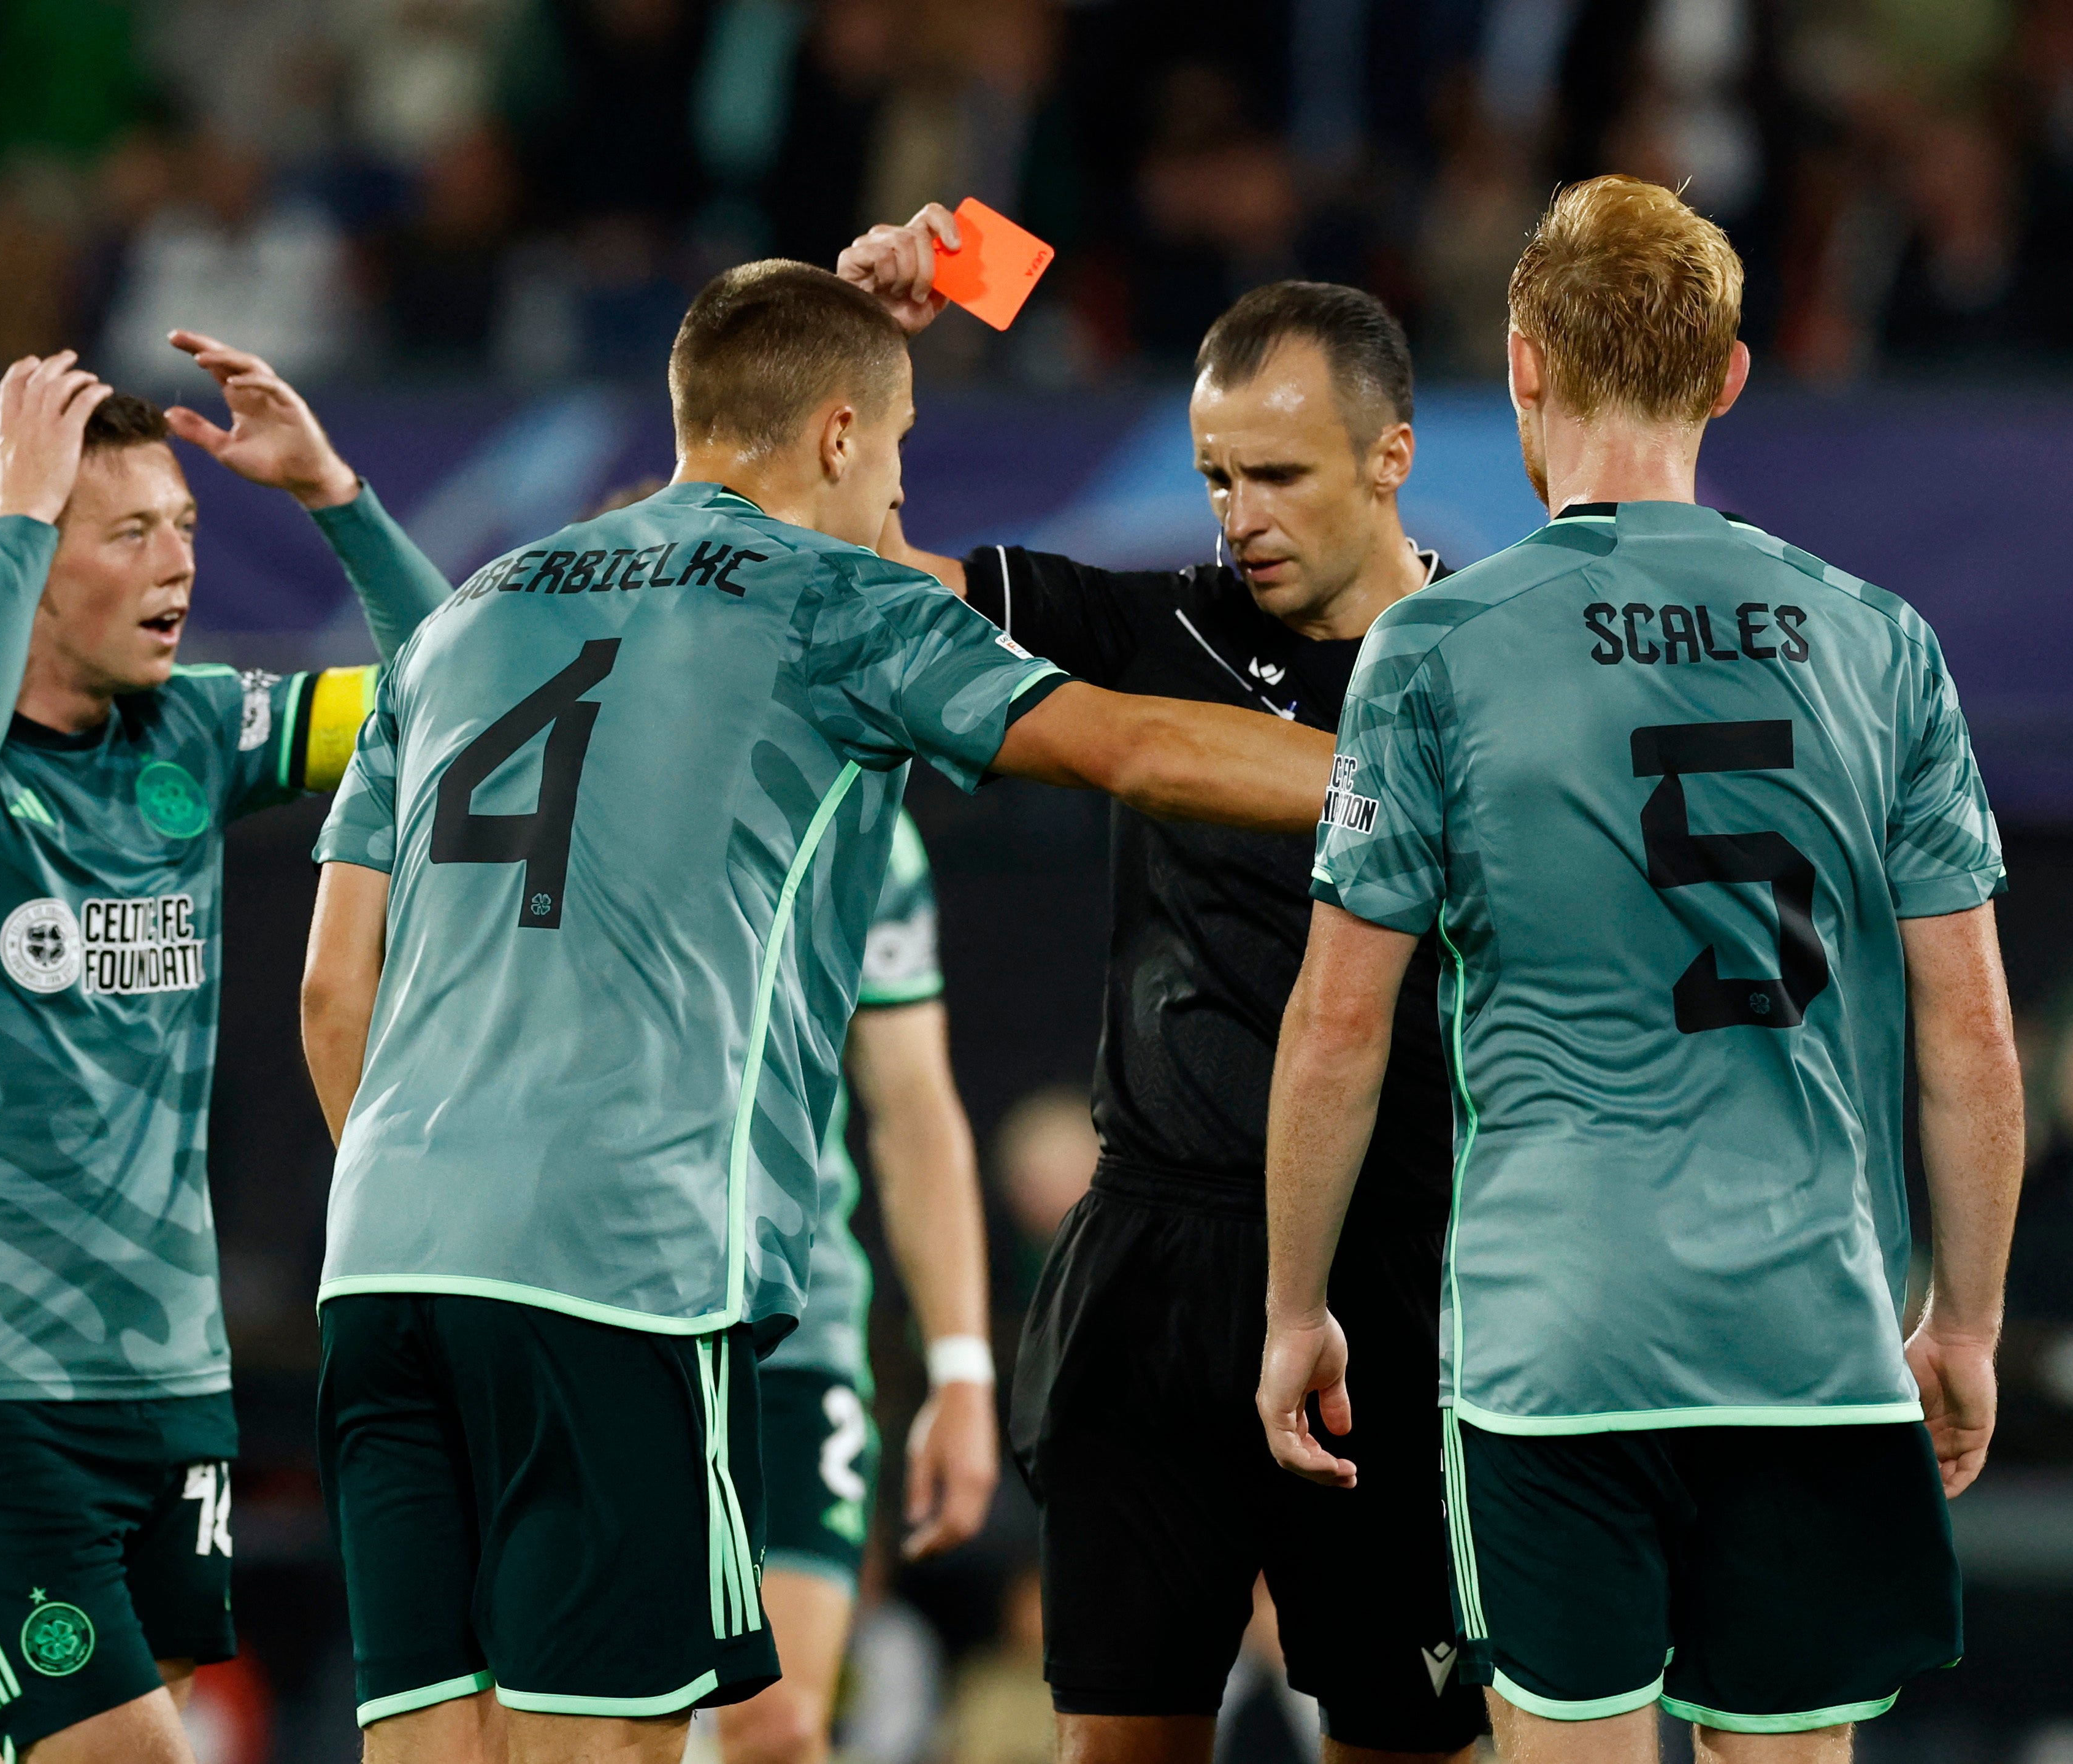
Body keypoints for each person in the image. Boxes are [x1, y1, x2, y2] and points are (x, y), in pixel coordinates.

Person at [297, 259, 1335, 1764]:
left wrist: (426, 1215)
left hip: (382, 1267)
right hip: (616, 1267)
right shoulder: (829, 599)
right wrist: (1399, 780)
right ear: (841, 438)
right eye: (900, 452)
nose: (901, 501)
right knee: (618, 1747)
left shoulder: (463, 616)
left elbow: (337, 987)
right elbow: (1131, 747)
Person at [1257, 175, 2022, 1763]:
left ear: (1521, 361)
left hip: (1559, 1334)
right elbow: (1969, 1033)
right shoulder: (1877, 639)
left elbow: (1337, 1023)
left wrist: (1291, 1303)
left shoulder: (1438, 647)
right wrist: (1965, 1318)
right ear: (1728, 376)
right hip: (1810, 1331)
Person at [838, 209, 1483, 1762]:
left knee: (1412, 1741)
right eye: (1215, 476)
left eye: (1280, 475)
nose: (1239, 514)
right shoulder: (1155, 626)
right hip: (1153, 1268)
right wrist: (872, 348)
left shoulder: (1491, 657)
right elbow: (846, 575)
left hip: (1399, 1274)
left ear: (1393, 456)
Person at [0, 332, 453, 1764]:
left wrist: (337, 495)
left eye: (187, 527)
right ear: (29, 553)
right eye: (127, 533)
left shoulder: (200, 727)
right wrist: (19, 519)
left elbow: (465, 696)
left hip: (168, 1384)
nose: (178, 565)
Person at [718, 807, 1002, 1764]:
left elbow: (913, 1107)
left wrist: (961, 1371)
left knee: (780, 1725)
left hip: (793, 1325)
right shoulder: (603, 765)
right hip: (614, 1313)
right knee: (598, 1720)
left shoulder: (863, 818)